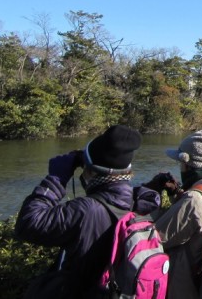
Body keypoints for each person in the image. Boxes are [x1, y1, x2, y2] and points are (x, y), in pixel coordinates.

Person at [15, 125, 160, 298]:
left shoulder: (86, 210)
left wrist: (56, 180)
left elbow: (28, 224)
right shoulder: (141, 202)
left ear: (90, 172)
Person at [148, 128, 202, 299]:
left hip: (184, 285)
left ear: (187, 163)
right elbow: (198, 222)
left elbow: (154, 239)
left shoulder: (194, 200)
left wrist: (147, 197)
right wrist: (177, 195)